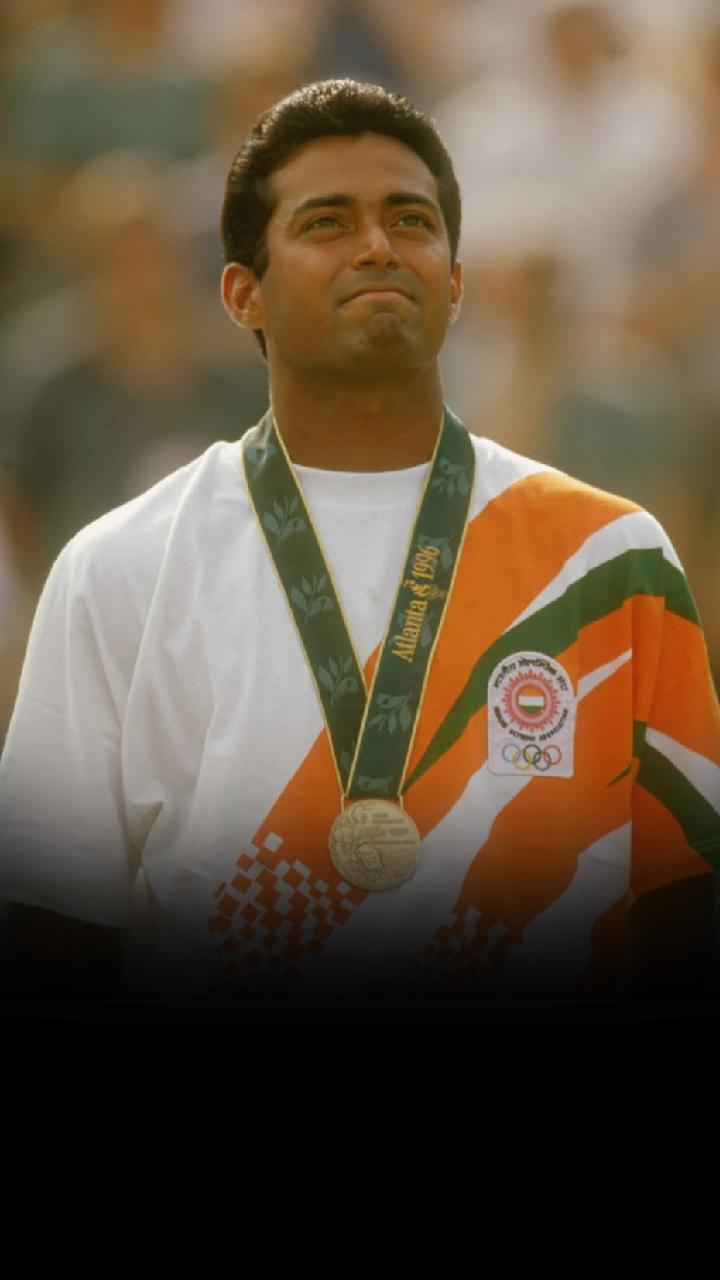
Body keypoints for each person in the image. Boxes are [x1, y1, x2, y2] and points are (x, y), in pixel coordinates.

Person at [1, 79, 719, 1014]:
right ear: (241, 295)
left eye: (411, 220)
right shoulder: (120, 566)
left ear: (455, 284)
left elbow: (688, 909)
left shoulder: (611, 557)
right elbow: (54, 929)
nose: (378, 245)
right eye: (327, 223)